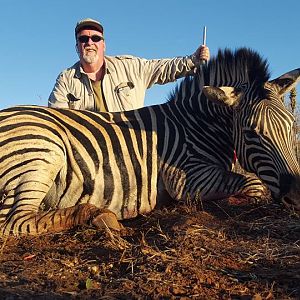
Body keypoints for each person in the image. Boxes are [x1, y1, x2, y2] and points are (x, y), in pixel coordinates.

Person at [48, 18, 210, 112]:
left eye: (95, 38)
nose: (89, 42)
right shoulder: (66, 80)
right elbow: (57, 119)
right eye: (83, 39)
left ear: (104, 45)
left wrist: (193, 60)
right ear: (77, 46)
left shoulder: (130, 67)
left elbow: (163, 68)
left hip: (128, 153)